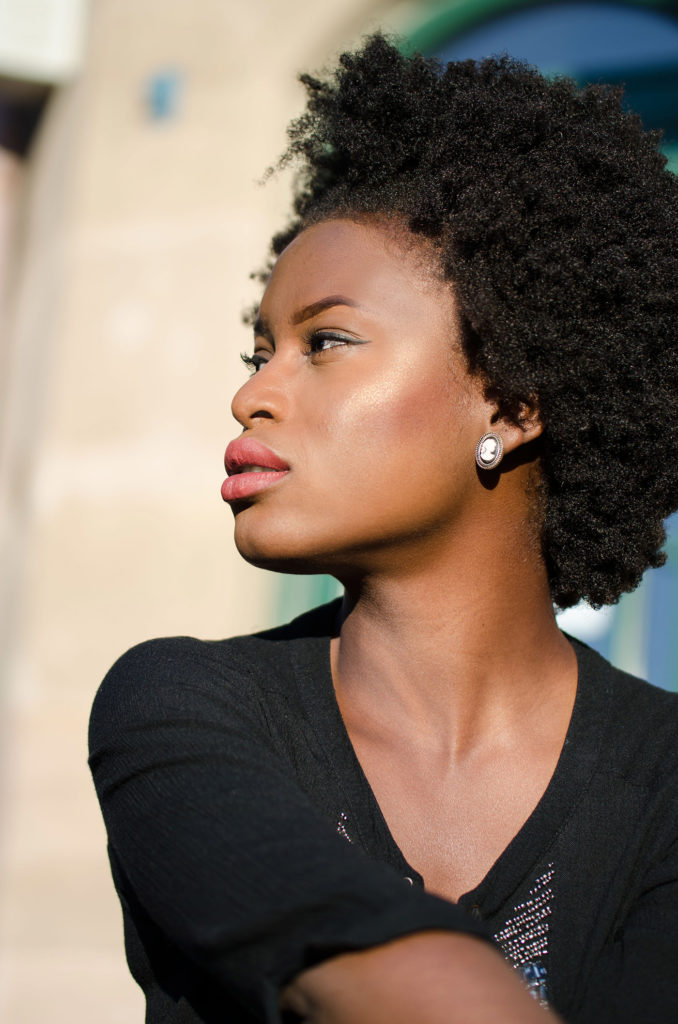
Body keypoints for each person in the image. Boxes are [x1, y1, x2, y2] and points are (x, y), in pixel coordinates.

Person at [89, 33, 678, 1024]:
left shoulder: (662, 783)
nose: (249, 395)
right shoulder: (181, 707)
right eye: (261, 347)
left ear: (512, 403)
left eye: (325, 342)